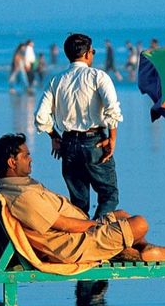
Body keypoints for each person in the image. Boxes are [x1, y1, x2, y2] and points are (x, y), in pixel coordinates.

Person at [0, 133, 165, 263]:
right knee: (140, 223)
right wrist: (97, 226)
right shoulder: (23, 196)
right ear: (12, 162)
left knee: (122, 214)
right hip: (73, 245)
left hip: (75, 236)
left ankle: (145, 249)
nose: (31, 158)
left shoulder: (12, 185)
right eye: (26, 155)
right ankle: (141, 251)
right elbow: (64, 224)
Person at [35, 33, 123, 219]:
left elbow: (41, 116)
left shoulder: (56, 80)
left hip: (68, 143)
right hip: (94, 141)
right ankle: (95, 235)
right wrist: (112, 138)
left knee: (79, 202)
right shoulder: (98, 76)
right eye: (92, 51)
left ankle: (79, 239)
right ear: (86, 54)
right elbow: (112, 109)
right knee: (109, 194)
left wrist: (54, 136)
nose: (92, 54)